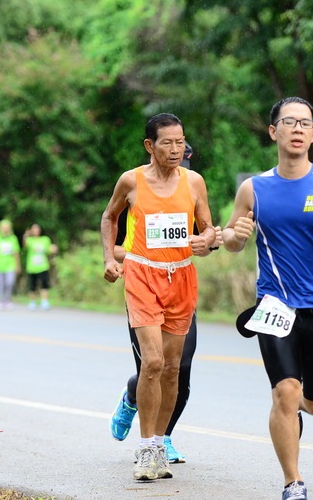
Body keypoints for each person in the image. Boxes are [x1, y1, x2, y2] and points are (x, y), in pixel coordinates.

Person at [222, 97, 313, 500]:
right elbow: (232, 238)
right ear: (274, 132)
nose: (298, 129)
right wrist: (234, 237)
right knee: (285, 392)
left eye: (305, 123)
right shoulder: (254, 188)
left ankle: (292, 409)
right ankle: (293, 481)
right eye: (289, 122)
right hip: (275, 306)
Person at [101, 113, 216, 481]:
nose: (176, 149)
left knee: (172, 367)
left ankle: (161, 441)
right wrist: (109, 258)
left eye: (180, 142)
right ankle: (147, 448)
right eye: (167, 143)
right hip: (142, 275)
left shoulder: (194, 182)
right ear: (150, 146)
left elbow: (208, 229)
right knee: (152, 362)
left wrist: (206, 241)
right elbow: (109, 217)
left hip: (181, 277)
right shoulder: (131, 181)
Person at [23, 223, 57, 311]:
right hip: (32, 267)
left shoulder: (45, 239)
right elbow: (25, 245)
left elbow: (49, 250)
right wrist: (26, 235)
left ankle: (44, 301)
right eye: (34, 229)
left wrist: (53, 249)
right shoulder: (30, 240)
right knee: (32, 285)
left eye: (37, 229)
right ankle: (32, 302)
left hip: (43, 266)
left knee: (44, 284)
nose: (36, 231)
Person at [0, 219, 21, 310]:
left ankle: (8, 299)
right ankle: (2, 301)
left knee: (10, 282)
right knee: (1, 284)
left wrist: (18, 265)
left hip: (10, 264)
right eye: (4, 227)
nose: (5, 229)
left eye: (7, 228)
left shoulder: (13, 238)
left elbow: (16, 253)